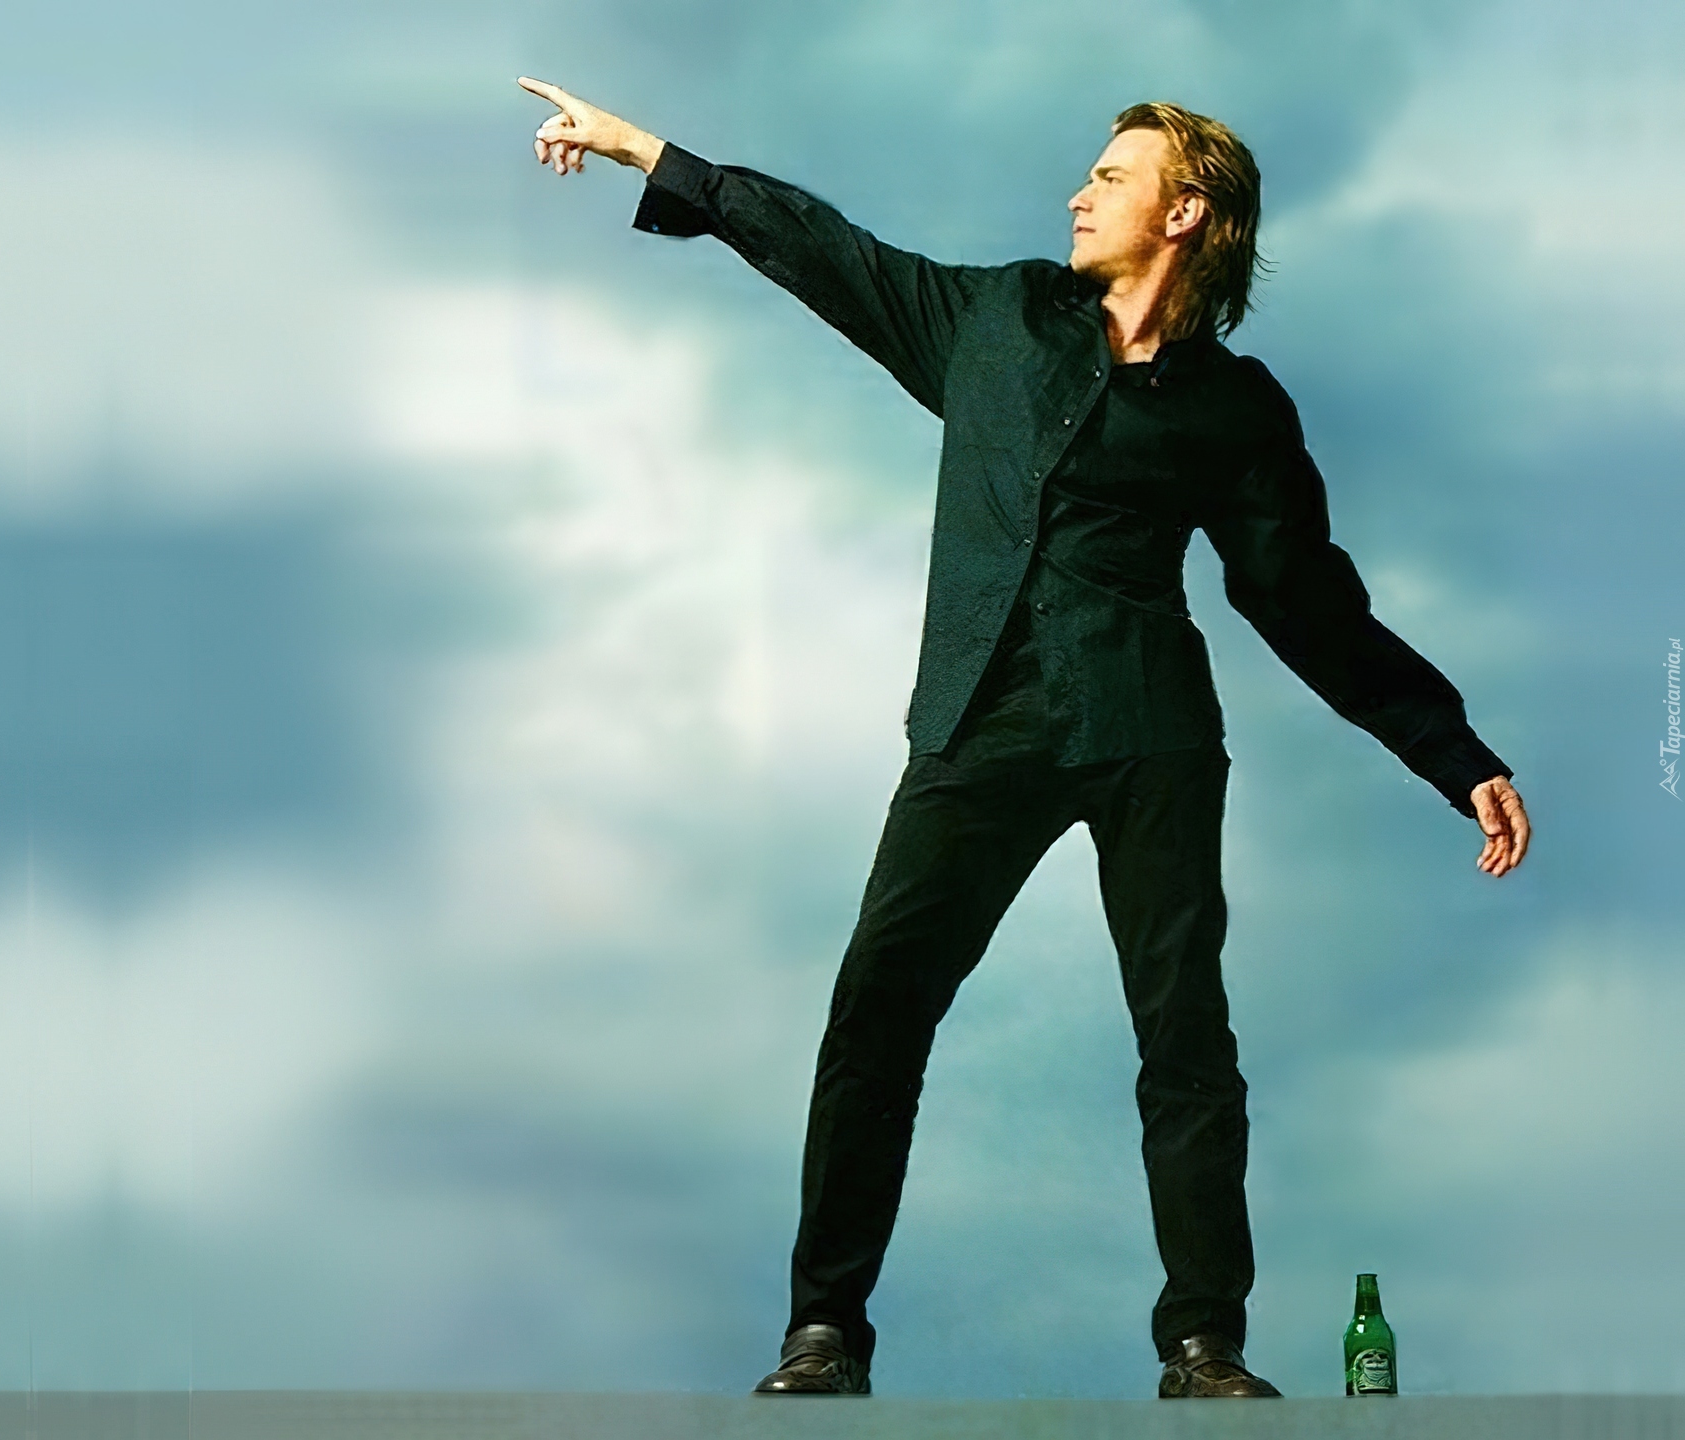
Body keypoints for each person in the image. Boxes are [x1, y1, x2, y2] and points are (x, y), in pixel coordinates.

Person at [515, 76, 1532, 1400]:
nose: (1078, 194)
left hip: (1148, 728)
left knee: (1185, 1036)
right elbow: (828, 250)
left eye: (1110, 177)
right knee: (878, 1012)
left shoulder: (1235, 409)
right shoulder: (992, 322)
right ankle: (824, 1333)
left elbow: (1306, 602)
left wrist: (1453, 752)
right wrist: (649, 152)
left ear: (1184, 211)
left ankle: (1204, 1348)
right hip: (979, 723)